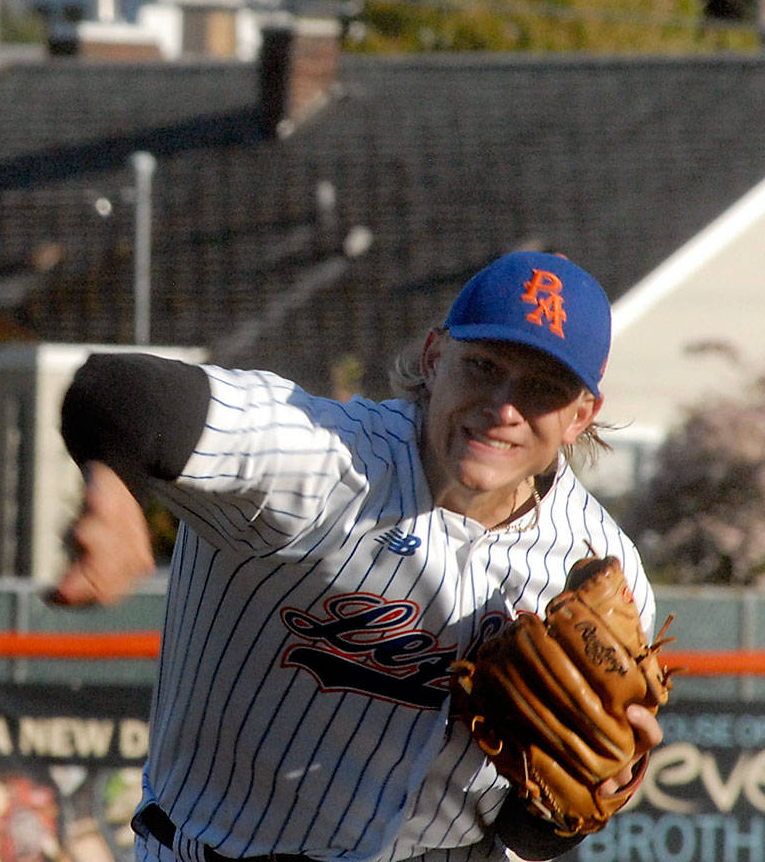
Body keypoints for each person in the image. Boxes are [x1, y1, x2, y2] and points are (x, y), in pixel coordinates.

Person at [52, 251, 662, 862]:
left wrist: (575, 806)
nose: (503, 407)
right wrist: (113, 494)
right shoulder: (322, 461)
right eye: (482, 366)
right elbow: (117, 388)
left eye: (542, 389)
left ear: (583, 414)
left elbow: (523, 836)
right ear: (433, 358)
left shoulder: (602, 567)